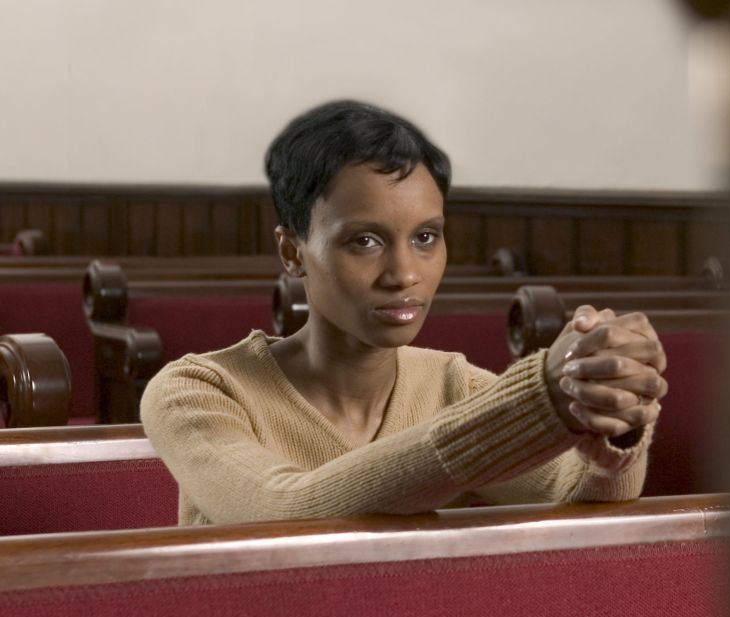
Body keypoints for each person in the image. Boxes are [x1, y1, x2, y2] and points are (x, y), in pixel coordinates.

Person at [140, 100, 668, 525]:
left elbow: (570, 501)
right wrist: (537, 398)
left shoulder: (451, 384)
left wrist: (610, 423)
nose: (404, 273)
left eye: (425, 237)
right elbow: (285, 512)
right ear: (292, 251)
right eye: (364, 240)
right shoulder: (197, 390)